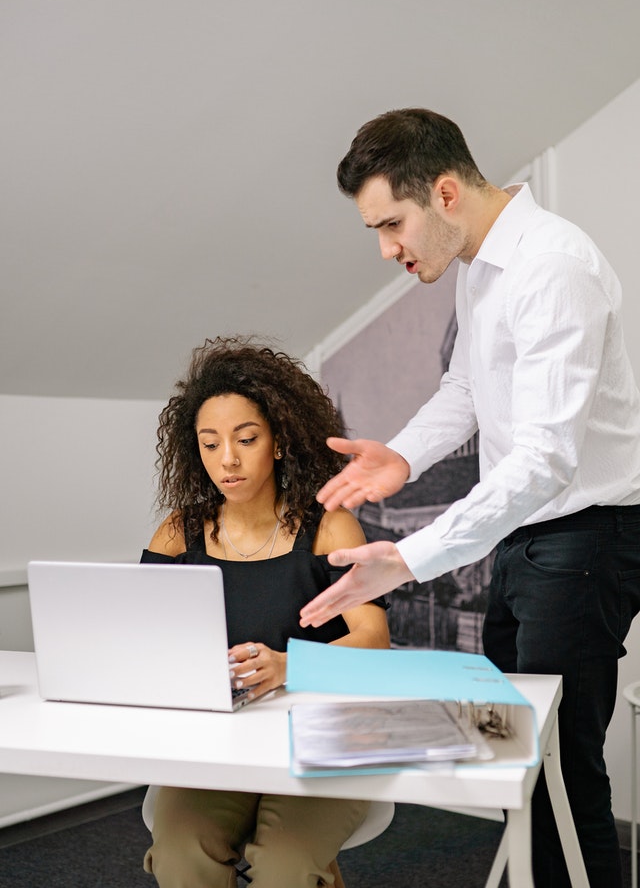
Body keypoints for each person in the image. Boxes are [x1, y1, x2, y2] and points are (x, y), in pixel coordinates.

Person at [299, 108, 640, 887]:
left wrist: (407, 557)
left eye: (392, 224)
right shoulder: (480, 267)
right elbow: (466, 387)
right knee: (514, 748)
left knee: (560, 762)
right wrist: (403, 454)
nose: (389, 249)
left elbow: (546, 457)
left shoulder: (554, 267)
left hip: (585, 537)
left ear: (445, 194)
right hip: (530, 534)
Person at [141, 336, 390, 888]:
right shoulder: (178, 534)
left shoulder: (328, 527)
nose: (226, 459)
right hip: (221, 737)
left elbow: (374, 638)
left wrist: (286, 667)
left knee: (283, 864)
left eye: (245, 439)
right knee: (181, 851)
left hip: (324, 732)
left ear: (277, 442)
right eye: (209, 445)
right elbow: (144, 640)